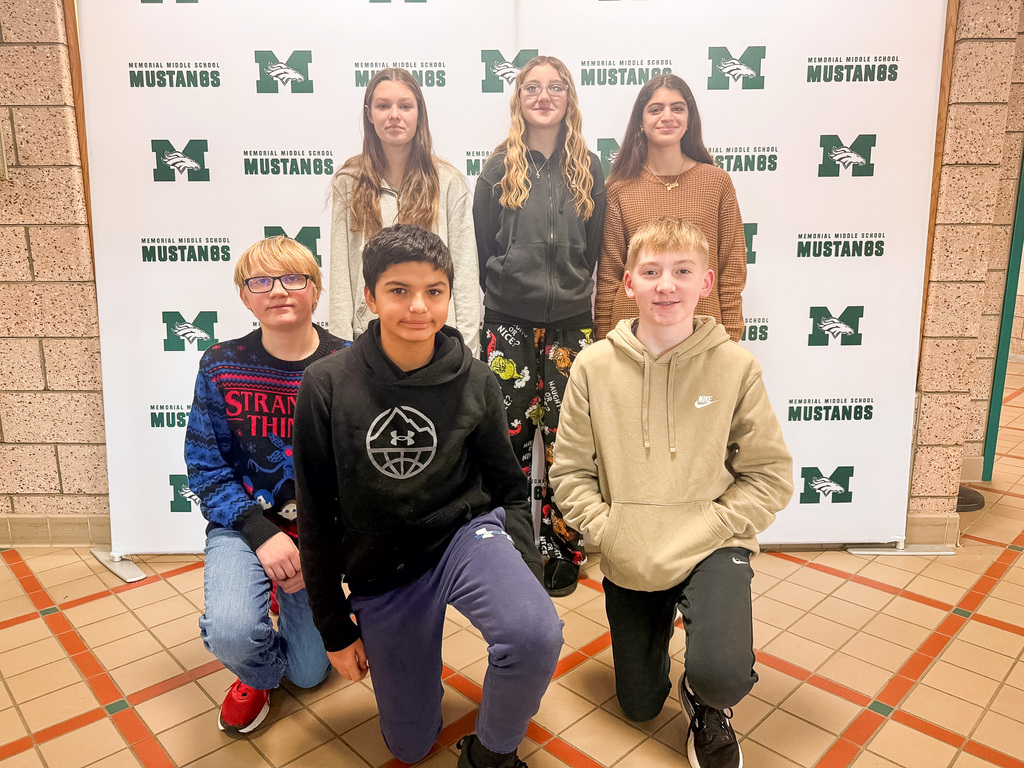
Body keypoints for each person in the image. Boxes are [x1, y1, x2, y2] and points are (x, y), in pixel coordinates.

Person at [294, 225, 563, 768]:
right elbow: (317, 516)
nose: (419, 307)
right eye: (399, 290)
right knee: (410, 746)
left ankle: (491, 755)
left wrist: (524, 578)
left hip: (464, 535)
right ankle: (415, 682)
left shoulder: (478, 381)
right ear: (369, 297)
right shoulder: (325, 385)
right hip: (383, 564)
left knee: (534, 634)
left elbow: (510, 488)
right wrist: (334, 627)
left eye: (434, 291)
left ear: (449, 295)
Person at [551, 219, 792, 768]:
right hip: (631, 549)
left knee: (724, 676)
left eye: (682, 272)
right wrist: (610, 530)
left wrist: (711, 525)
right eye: (652, 272)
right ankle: (659, 663)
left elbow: (771, 476)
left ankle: (708, 702)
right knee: (638, 705)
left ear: (705, 283)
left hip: (710, 542)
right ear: (628, 283)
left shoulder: (735, 365)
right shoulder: (592, 366)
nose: (666, 285)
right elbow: (568, 474)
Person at [184, 236, 349, 734]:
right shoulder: (219, 364)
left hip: (320, 534)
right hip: (245, 525)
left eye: (293, 278)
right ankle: (256, 674)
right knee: (235, 634)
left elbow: (362, 473)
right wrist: (262, 536)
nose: (278, 291)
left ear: (315, 291)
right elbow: (205, 467)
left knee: (309, 672)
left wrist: (324, 557)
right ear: (244, 296)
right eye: (261, 281)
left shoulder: (351, 363)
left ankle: (287, 600)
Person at [473, 55, 606, 597]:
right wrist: (510, 282)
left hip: (573, 325)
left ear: (569, 97)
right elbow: (485, 246)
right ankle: (515, 549)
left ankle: (562, 549)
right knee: (507, 441)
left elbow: (594, 248)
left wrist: (571, 286)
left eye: (555, 87)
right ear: (518, 98)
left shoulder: (590, 166)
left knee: (567, 442)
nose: (544, 96)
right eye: (532, 87)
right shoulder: (498, 164)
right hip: (508, 322)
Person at [330, 67, 480, 354]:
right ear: (369, 114)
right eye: (383, 106)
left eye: (405, 106)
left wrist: (467, 351)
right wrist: (341, 347)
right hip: (368, 341)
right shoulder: (349, 181)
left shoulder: (448, 181)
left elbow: (464, 272)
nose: (394, 114)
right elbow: (341, 270)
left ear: (419, 114)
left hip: (436, 339)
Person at [595, 74, 747, 342]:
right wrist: (604, 340)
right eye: (655, 109)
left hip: (702, 334)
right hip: (633, 336)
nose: (667, 116)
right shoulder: (619, 187)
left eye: (677, 108)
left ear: (690, 119)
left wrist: (731, 337)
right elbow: (610, 275)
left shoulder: (717, 182)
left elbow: (731, 267)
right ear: (640, 122)